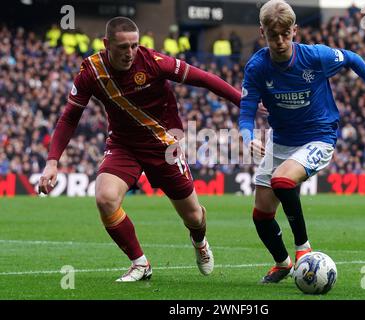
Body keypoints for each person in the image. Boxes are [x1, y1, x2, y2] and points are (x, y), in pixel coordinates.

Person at [38, 17, 241, 282]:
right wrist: (52, 161)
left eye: (134, 45)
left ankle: (200, 242)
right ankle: (140, 263)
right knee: (105, 198)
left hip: (164, 145)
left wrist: (242, 100)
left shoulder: (154, 62)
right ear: (106, 44)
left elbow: (204, 79)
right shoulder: (92, 72)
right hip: (123, 145)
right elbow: (69, 117)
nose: (130, 52)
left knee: (193, 216)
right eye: (123, 47)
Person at [239, 0, 365, 284]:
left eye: (286, 34)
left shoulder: (316, 56)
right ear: (263, 33)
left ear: (295, 30)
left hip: (318, 137)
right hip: (281, 141)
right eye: (274, 36)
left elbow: (354, 59)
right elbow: (246, 110)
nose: (281, 41)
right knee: (261, 214)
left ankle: (303, 249)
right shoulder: (257, 66)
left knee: (282, 181)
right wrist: (247, 136)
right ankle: (282, 264)